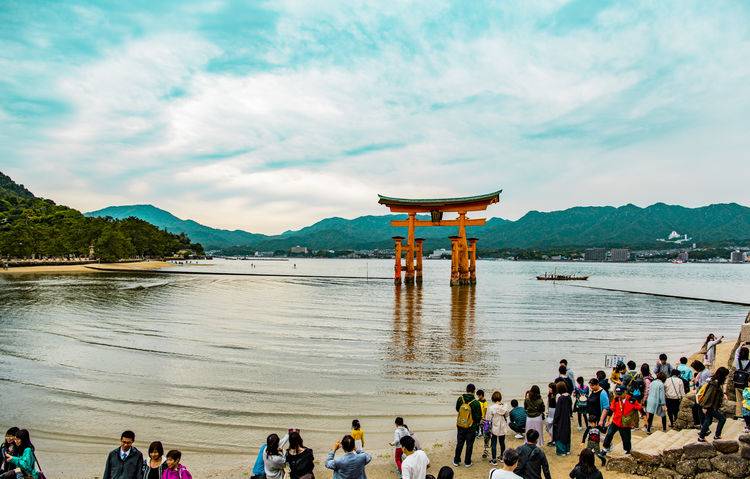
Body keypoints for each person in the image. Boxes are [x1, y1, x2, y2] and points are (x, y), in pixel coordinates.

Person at [600, 385, 643, 455]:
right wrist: (608, 421)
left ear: (625, 392)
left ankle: (627, 450)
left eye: (620, 394)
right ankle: (606, 448)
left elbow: (640, 408)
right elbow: (611, 410)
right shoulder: (616, 399)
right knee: (609, 434)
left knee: (626, 438)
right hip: (615, 421)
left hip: (625, 424)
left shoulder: (631, 400)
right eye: (617, 394)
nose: (619, 396)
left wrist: (645, 420)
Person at [697, 367, 729, 442]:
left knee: (708, 420)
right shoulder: (714, 383)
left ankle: (701, 437)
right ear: (722, 375)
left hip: (710, 406)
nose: (726, 377)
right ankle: (716, 435)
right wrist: (705, 407)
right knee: (722, 419)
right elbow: (708, 395)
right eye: (725, 375)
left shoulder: (715, 382)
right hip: (709, 406)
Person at [453, 384, 481, 467]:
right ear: (474, 391)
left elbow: (458, 409)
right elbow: (478, 417)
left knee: (459, 443)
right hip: (471, 427)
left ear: (466, 389)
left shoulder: (460, 398)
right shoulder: (476, 402)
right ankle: (467, 462)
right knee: (469, 444)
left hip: (461, 424)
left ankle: (456, 460)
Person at [485, 391, 510, 465]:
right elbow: (507, 415)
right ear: (500, 398)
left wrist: (486, 429)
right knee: (502, 442)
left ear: (493, 398)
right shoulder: (505, 406)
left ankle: (494, 460)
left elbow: (488, 419)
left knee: (494, 443)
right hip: (502, 426)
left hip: (494, 427)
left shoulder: (491, 408)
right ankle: (502, 457)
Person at [553, 381, 573, 456]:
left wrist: (555, 420)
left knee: (560, 433)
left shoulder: (560, 398)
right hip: (567, 418)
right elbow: (570, 408)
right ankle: (567, 449)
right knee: (567, 432)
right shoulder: (569, 397)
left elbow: (557, 411)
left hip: (561, 419)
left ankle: (561, 451)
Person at [691, 360, 711, 427]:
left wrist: (696, 382)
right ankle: (700, 424)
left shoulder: (704, 373)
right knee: (696, 409)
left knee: (699, 410)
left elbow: (704, 385)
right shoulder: (703, 371)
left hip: (702, 395)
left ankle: (701, 425)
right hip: (700, 394)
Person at [732, 346, 750, 419]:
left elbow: (736, 353)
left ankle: (739, 414)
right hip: (746, 384)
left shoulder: (737, 361)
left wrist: (741, 345)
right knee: (746, 400)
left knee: (739, 400)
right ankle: (746, 415)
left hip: (737, 384)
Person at [476, 390, 491, 458]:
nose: (478, 396)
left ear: (481, 395)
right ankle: (479, 433)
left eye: (479, 395)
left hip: (483, 417)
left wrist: (484, 417)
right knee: (478, 426)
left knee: (484, 430)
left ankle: (481, 433)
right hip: (478, 417)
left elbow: (485, 410)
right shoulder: (478, 401)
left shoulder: (485, 402)